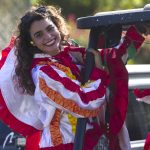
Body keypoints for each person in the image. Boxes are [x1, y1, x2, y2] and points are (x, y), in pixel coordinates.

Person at [0, 5, 109, 150]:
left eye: (50, 28)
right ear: (32, 42)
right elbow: (84, 102)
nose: (48, 36)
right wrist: (98, 72)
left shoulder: (68, 56)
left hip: (86, 140)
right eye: (38, 35)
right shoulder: (44, 72)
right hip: (65, 145)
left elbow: (113, 59)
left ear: (57, 27)